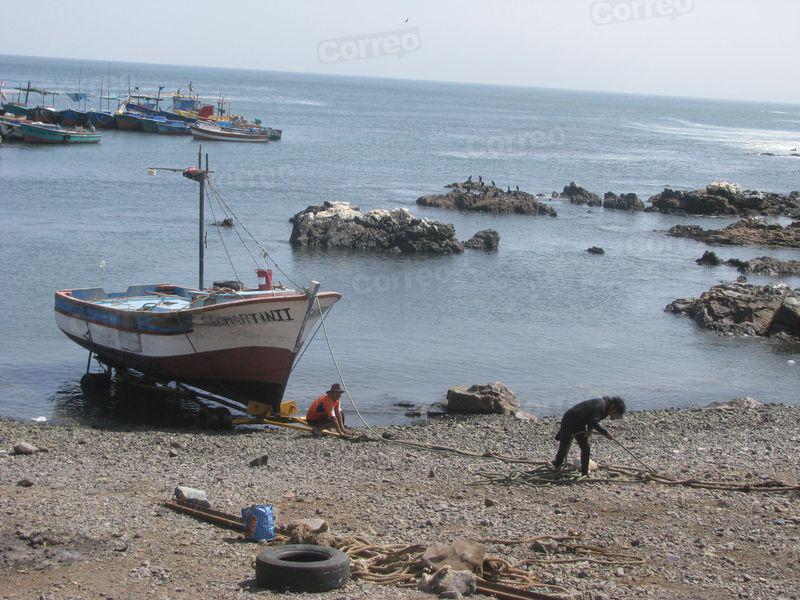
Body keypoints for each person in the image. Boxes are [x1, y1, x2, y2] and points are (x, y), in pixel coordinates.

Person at [553, 396, 626, 476]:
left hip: (580, 424)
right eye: (615, 412)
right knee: (564, 447)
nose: (613, 414)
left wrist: (589, 430)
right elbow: (593, 422)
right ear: (613, 407)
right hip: (569, 420)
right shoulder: (601, 406)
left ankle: (584, 473)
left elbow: (591, 418)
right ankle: (557, 468)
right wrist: (605, 433)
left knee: (586, 449)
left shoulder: (605, 409)